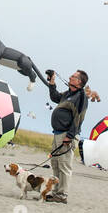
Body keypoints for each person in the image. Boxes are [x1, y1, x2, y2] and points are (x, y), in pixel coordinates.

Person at [44, 69, 91, 204]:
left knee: (64, 165)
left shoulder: (81, 97)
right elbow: (54, 97)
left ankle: (62, 195)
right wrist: (52, 82)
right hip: (58, 133)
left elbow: (79, 118)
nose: (70, 76)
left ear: (79, 82)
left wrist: (70, 136)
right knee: (55, 164)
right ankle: (55, 192)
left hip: (67, 135)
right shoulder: (68, 94)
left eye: (74, 76)